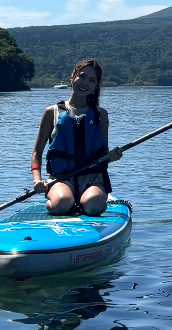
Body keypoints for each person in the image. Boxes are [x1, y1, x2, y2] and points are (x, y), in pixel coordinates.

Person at [30, 58, 123, 216]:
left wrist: (111, 157)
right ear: (72, 77)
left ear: (95, 86)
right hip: (61, 178)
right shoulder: (51, 112)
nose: (85, 83)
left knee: (94, 206)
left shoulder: (101, 115)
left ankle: (85, 200)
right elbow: (36, 153)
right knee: (61, 204)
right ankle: (62, 199)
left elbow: (103, 153)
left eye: (92, 80)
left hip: (92, 178)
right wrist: (37, 180)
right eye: (82, 76)